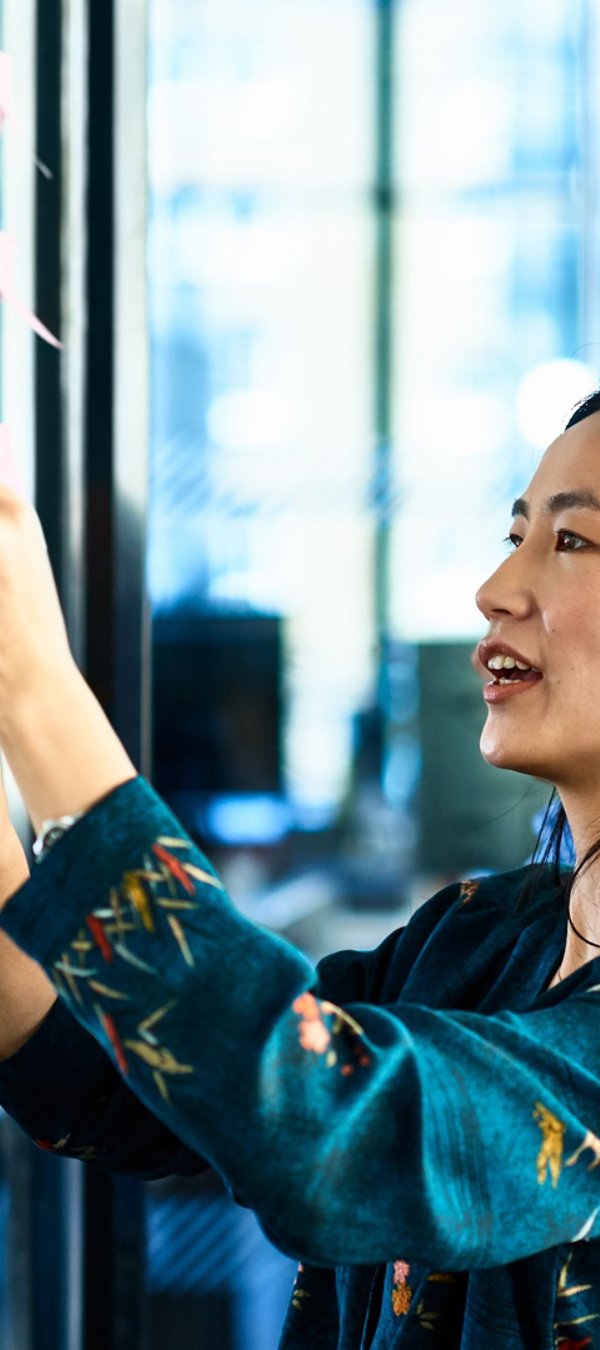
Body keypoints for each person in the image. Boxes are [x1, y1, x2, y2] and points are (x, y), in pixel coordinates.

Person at [0, 399, 599, 1350]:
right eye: (514, 537)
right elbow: (129, 1078)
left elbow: (322, 1127)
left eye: (571, 541)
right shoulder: (476, 937)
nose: (494, 589)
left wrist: (35, 688)